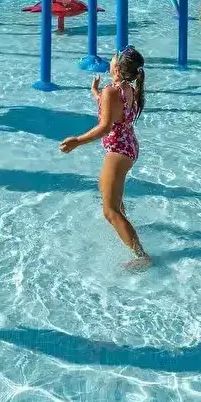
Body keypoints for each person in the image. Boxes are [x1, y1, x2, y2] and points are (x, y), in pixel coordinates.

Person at [59, 46, 150, 270]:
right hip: (129, 146)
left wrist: (77, 141)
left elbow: (105, 126)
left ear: (116, 68)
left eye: (113, 58)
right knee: (110, 194)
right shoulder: (128, 89)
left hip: (118, 151)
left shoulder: (112, 92)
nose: (110, 60)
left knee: (109, 211)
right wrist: (95, 93)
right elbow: (112, 109)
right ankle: (125, 225)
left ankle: (142, 256)